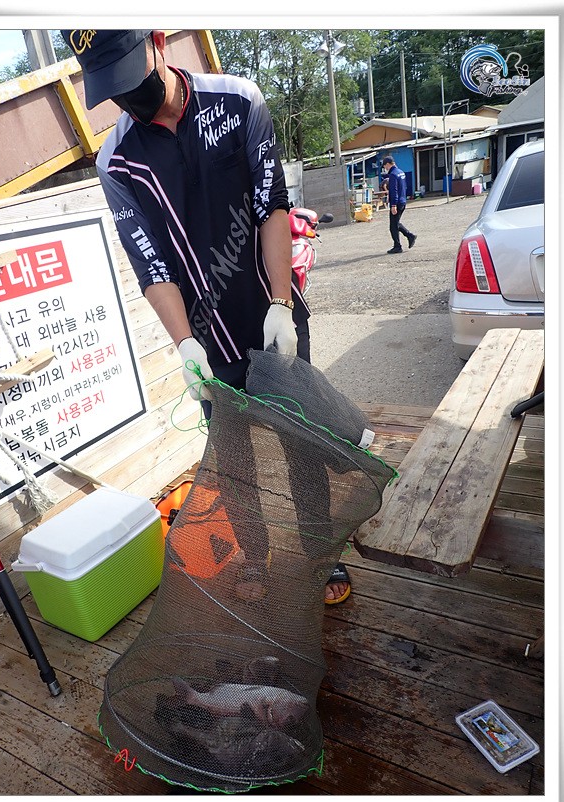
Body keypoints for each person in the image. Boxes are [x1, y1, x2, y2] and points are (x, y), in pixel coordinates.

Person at [61, 29, 351, 606]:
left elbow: (271, 205)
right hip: (206, 340)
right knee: (232, 458)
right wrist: (184, 346)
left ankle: (322, 554)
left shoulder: (239, 101)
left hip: (270, 318)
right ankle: (256, 558)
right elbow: (149, 262)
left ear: (158, 42)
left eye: (131, 76)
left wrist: (280, 303)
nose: (129, 97)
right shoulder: (116, 161)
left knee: (302, 440)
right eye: (112, 88)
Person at [381, 155, 417, 253]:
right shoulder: (401, 172)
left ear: (388, 164)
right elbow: (404, 187)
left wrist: (393, 205)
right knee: (396, 223)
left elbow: (394, 190)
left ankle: (398, 245)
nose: (385, 168)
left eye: (384, 166)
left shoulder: (393, 174)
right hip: (402, 201)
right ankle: (409, 236)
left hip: (397, 203)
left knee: (393, 226)